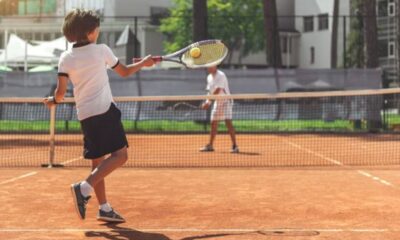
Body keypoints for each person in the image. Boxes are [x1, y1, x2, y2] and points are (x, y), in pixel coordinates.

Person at [43, 9, 155, 223]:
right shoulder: (101, 50)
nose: (99, 31)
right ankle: (83, 188)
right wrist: (144, 63)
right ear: (91, 32)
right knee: (121, 156)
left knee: (98, 164)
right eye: (97, 28)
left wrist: (53, 101)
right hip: (105, 111)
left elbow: (59, 93)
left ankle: (104, 208)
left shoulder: (65, 58)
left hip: (85, 116)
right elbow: (124, 71)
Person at [200, 66, 239, 153]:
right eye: (207, 67)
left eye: (210, 66)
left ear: (215, 66)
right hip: (217, 102)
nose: (208, 68)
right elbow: (209, 92)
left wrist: (209, 102)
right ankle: (210, 145)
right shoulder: (209, 77)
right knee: (213, 122)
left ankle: (235, 146)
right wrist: (207, 102)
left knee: (228, 122)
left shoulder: (221, 75)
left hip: (226, 101)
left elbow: (218, 90)